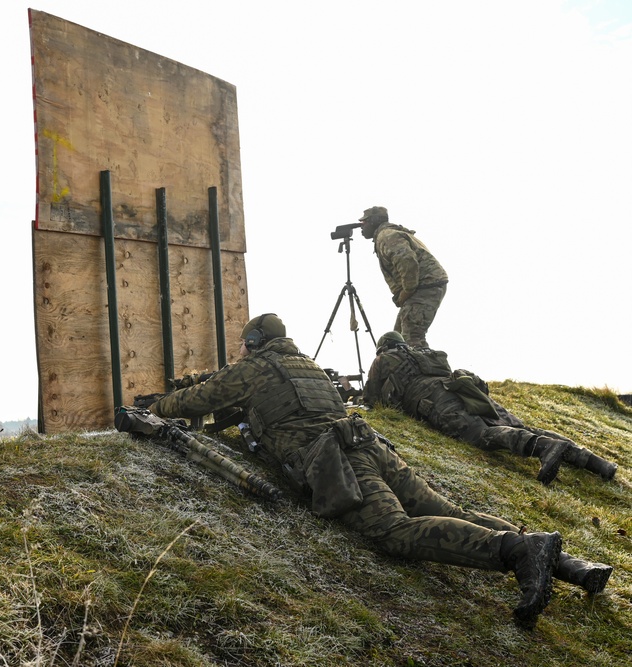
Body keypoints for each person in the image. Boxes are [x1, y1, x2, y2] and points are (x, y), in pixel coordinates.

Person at [148, 313, 612, 628]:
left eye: (244, 346)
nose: (242, 351)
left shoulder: (253, 369)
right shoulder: (306, 365)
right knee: (448, 510)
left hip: (338, 458)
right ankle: (571, 566)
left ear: (253, 344)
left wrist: (155, 407)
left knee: (393, 532)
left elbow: (196, 401)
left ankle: (518, 551)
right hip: (370, 444)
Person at [364, 331, 618, 485]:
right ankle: (597, 464)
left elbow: (371, 397)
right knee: (518, 426)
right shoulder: (423, 353)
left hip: (435, 399)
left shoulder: (383, 359)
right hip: (465, 389)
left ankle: (545, 448)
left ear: (383, 348)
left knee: (481, 435)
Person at [359, 206, 447, 348]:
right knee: (398, 338)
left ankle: (422, 362)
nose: (361, 227)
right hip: (424, 285)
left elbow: (408, 262)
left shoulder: (387, 236)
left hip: (425, 285)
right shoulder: (389, 234)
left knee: (411, 337)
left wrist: (405, 293)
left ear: (374, 221)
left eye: (364, 222)